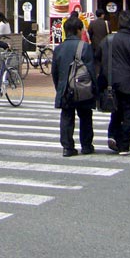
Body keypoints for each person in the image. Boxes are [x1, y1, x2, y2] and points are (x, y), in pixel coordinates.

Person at [95, 9, 130, 156]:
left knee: (115, 113)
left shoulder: (108, 40)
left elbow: (97, 57)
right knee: (128, 114)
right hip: (128, 84)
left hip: (109, 83)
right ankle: (124, 145)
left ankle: (112, 136)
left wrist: (103, 75)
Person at [51, 16, 97, 157]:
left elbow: (55, 72)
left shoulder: (58, 49)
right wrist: (94, 89)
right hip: (83, 89)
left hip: (65, 88)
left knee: (66, 117)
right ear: (78, 30)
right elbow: (91, 70)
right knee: (85, 117)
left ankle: (68, 147)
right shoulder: (85, 47)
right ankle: (86, 146)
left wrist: (59, 87)